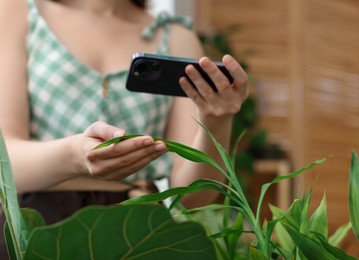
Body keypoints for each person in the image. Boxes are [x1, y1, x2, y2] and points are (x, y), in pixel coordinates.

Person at [0, 0, 248, 256]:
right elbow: (4, 160)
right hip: (34, 227)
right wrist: (75, 155)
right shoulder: (17, 11)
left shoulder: (175, 35)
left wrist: (216, 119)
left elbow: (190, 196)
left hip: (137, 232)